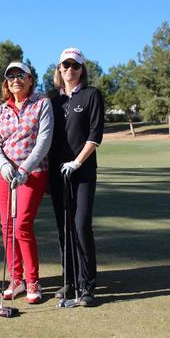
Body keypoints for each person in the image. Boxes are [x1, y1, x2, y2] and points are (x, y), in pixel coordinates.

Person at [0, 61, 53, 304]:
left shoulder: (41, 103)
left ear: (30, 79)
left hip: (32, 172)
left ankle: (33, 280)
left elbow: (44, 140)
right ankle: (16, 279)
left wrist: (25, 168)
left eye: (20, 75)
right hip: (2, 173)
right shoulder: (2, 109)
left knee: (22, 224)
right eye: (11, 76)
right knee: (6, 226)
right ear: (7, 82)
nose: (16, 80)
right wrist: (4, 165)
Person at [48, 48, 104, 307]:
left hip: (82, 172)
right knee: (64, 228)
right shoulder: (52, 100)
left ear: (82, 69)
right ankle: (69, 279)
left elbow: (95, 136)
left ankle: (87, 285)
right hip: (57, 173)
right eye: (65, 65)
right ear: (59, 69)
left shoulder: (92, 95)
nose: (69, 69)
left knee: (81, 225)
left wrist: (77, 161)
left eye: (74, 65)